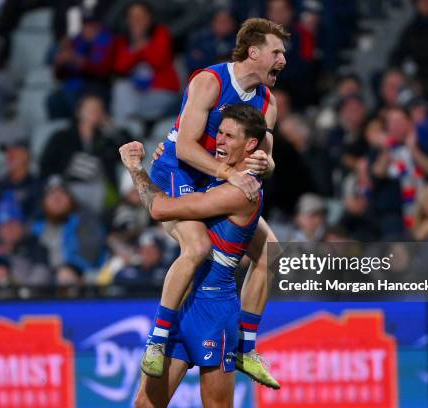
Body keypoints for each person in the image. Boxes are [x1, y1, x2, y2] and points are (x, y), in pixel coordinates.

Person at [144, 17, 288, 386]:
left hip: (215, 178)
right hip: (180, 171)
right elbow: (188, 146)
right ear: (254, 53)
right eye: (277, 53)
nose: (283, 61)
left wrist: (263, 164)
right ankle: (158, 340)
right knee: (196, 248)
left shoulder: (267, 102)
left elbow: (268, 159)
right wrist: (229, 174)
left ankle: (246, 347)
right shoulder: (210, 81)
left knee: (272, 253)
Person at [119, 104, 275, 407]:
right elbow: (192, 159)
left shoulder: (239, 192)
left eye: (230, 136)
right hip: (185, 303)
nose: (219, 141)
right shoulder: (219, 178)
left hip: (215, 312)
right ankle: (248, 347)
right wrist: (169, 159)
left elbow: (161, 209)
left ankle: (247, 347)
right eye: (219, 133)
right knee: (145, 405)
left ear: (251, 145)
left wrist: (137, 170)